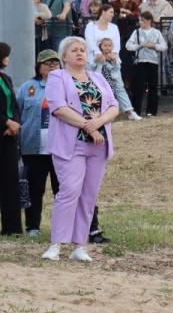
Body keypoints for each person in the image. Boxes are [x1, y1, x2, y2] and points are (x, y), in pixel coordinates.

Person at [40, 37, 119, 261]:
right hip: (71, 144)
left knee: (88, 195)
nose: (79, 53)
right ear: (64, 56)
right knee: (69, 191)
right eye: (74, 50)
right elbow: (59, 108)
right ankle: (56, 244)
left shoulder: (97, 77)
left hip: (99, 145)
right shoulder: (58, 77)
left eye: (83, 50)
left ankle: (79, 246)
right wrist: (88, 125)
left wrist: (98, 123)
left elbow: (114, 106)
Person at [18, 50, 62, 236]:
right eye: (47, 63)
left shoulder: (66, 85)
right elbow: (18, 113)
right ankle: (33, 227)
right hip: (33, 148)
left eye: (55, 62)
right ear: (38, 66)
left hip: (60, 149)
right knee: (35, 189)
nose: (51, 65)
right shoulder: (27, 87)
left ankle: (63, 228)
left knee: (62, 191)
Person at [124, 11, 166, 117]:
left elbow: (164, 46)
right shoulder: (136, 32)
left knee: (153, 86)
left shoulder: (156, 32)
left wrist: (154, 46)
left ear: (148, 21)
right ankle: (136, 111)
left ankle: (151, 110)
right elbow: (128, 45)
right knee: (138, 87)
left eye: (141, 20)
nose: (140, 22)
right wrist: (138, 46)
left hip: (153, 62)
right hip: (140, 62)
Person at [0, 44, 22, 235]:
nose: (8, 59)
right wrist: (5, 122)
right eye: (6, 56)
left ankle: (12, 227)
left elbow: (14, 105)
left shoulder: (5, 78)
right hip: (3, 129)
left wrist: (14, 123)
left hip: (8, 136)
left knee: (10, 180)